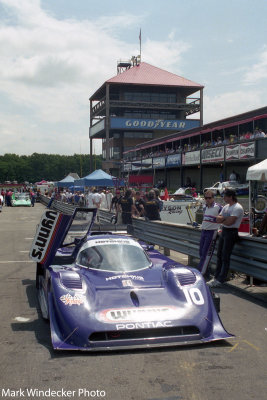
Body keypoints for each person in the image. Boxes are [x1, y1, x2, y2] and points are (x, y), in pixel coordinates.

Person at [207, 189, 244, 287]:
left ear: (230, 197)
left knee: (225, 256)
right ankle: (216, 277)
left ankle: (221, 279)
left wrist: (222, 219)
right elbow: (218, 218)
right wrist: (224, 219)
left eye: (225, 196)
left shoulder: (237, 207)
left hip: (231, 232)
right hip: (224, 231)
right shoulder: (226, 207)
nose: (223, 198)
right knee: (219, 255)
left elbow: (230, 222)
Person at [197, 190, 223, 279]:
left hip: (212, 232)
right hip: (204, 231)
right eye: (206, 198)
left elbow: (224, 218)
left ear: (213, 198)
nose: (207, 199)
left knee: (206, 254)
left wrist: (221, 228)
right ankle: (206, 273)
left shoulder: (218, 207)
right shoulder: (204, 207)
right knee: (201, 252)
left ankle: (200, 273)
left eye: (209, 198)